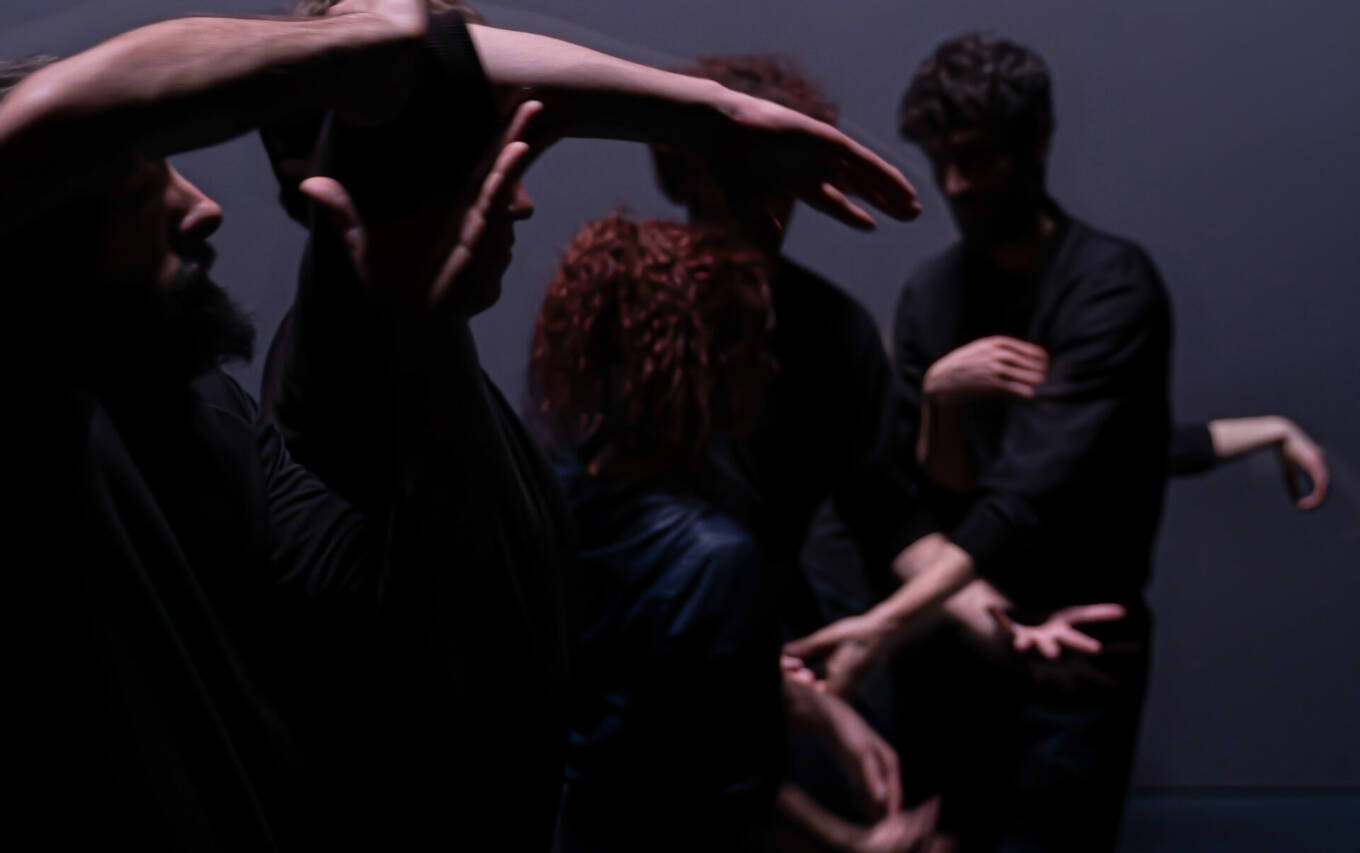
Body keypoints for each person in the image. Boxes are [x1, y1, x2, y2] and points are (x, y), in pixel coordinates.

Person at [0, 1, 920, 847]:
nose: (203, 206)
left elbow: (390, 637)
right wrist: (378, 51)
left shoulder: (209, 415)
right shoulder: (45, 424)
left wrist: (712, 116)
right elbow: (58, 119)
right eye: (136, 194)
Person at [783, 33, 1175, 851]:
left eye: (977, 158)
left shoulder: (1109, 285)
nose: (956, 184)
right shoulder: (933, 293)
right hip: (955, 640)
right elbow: (942, 490)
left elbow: (1026, 495)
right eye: (941, 160)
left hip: (1073, 644)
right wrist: (941, 400)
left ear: (1036, 141)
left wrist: (883, 625)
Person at [531, 213, 938, 853]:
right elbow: (724, 796)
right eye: (759, 345)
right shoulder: (715, 559)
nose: (772, 368)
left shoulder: (558, 490)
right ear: (705, 361)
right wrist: (858, 844)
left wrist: (811, 707)